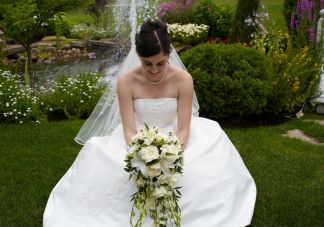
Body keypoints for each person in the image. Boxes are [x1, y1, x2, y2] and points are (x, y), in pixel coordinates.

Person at [43, 20, 256, 227]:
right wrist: (143, 155)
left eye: (160, 63)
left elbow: (183, 130)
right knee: (112, 167)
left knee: (196, 170)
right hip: (137, 140)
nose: (154, 70)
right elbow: (128, 130)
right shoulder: (126, 81)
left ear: (169, 54)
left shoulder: (183, 79)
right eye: (147, 63)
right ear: (139, 57)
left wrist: (167, 157)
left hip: (176, 139)